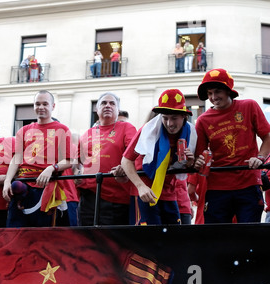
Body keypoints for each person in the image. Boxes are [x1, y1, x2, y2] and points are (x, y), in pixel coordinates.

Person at [194, 68, 270, 223]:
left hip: (248, 183)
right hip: (217, 188)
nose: (213, 97)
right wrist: (198, 161)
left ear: (228, 91)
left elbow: (267, 136)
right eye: (209, 93)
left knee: (248, 238)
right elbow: (200, 154)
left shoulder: (249, 106)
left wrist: (260, 158)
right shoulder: (202, 120)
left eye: (217, 91)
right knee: (217, 238)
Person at [121, 89, 197, 225]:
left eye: (174, 118)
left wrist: (190, 163)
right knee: (151, 240)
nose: (169, 123)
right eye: (165, 118)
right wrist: (141, 186)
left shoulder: (191, 132)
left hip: (170, 192)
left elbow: (187, 169)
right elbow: (126, 160)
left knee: (172, 239)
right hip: (147, 192)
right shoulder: (148, 129)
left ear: (184, 116)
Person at [2, 90, 73, 227]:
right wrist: (7, 181)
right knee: (15, 233)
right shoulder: (23, 130)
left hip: (46, 187)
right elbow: (17, 157)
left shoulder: (62, 129)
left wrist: (51, 168)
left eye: (45, 104)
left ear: (53, 106)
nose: (41, 107)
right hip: (22, 186)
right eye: (37, 104)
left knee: (42, 235)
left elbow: (69, 160)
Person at [75, 92, 137, 226]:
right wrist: (77, 174)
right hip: (88, 197)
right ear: (97, 110)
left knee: (113, 243)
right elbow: (78, 161)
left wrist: (124, 168)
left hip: (116, 199)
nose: (108, 106)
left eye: (112, 103)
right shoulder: (87, 133)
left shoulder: (127, 128)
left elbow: (135, 154)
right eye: (103, 103)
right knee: (88, 241)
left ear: (118, 110)